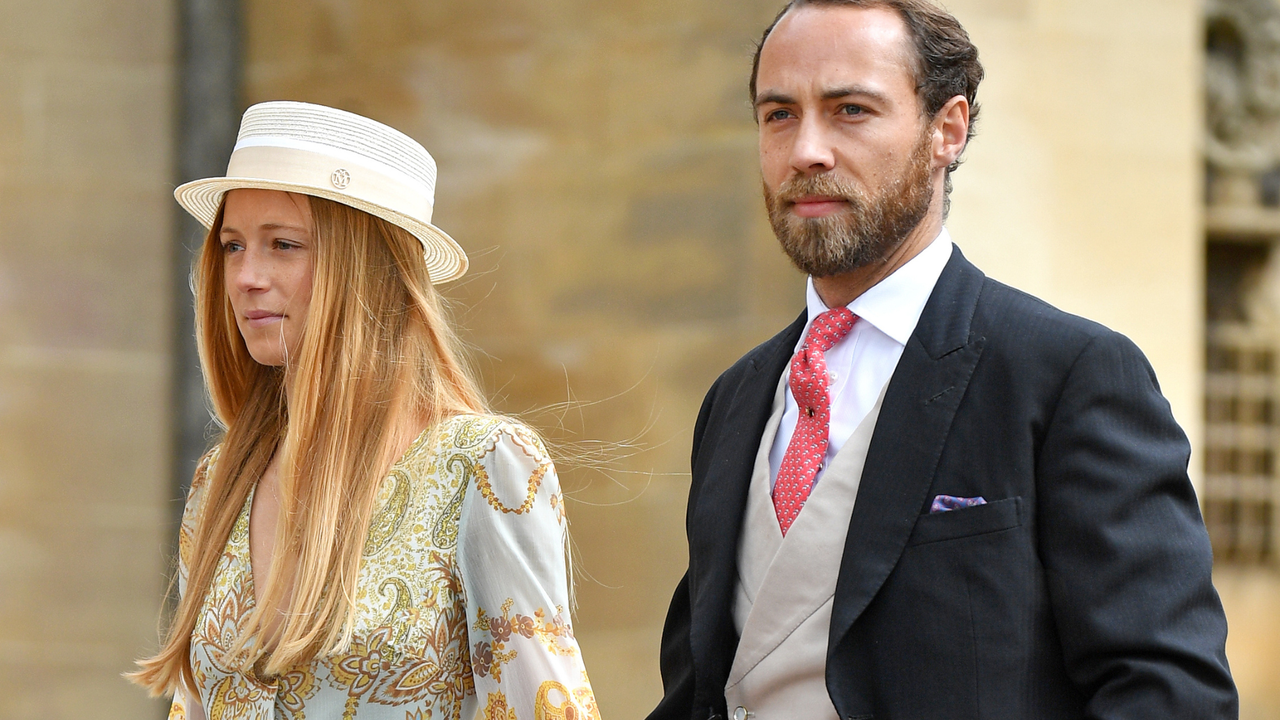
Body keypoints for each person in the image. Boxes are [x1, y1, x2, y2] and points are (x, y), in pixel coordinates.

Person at [648, 1, 1238, 719]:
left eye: (851, 110)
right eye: (778, 114)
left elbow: (1169, 695)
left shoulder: (1070, 375)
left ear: (947, 130)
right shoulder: (733, 399)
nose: (807, 150)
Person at [129, 101, 599, 720]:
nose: (245, 275)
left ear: (368, 269)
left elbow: (546, 707)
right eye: (233, 245)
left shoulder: (482, 467)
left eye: (284, 244)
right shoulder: (217, 483)